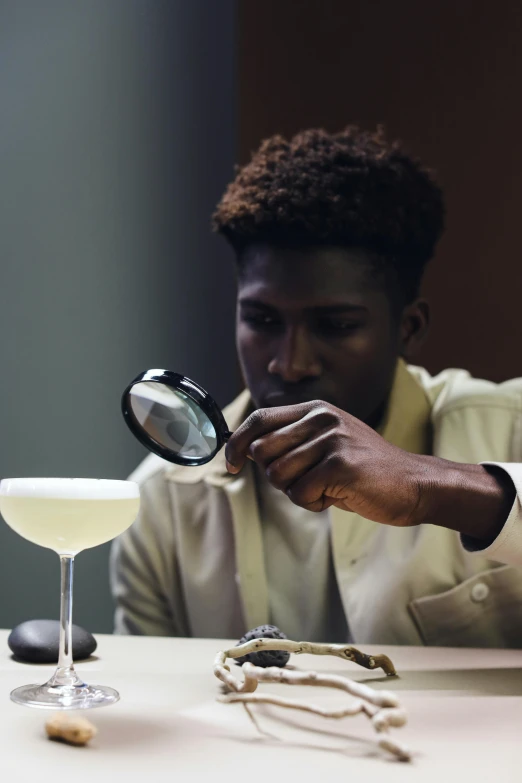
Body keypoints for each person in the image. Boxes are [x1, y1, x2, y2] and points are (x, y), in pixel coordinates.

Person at [111, 126, 522, 647]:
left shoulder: (509, 430)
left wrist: (426, 488)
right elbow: (158, 700)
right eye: (261, 320)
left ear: (409, 328)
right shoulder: (161, 503)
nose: (290, 363)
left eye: (336, 325)